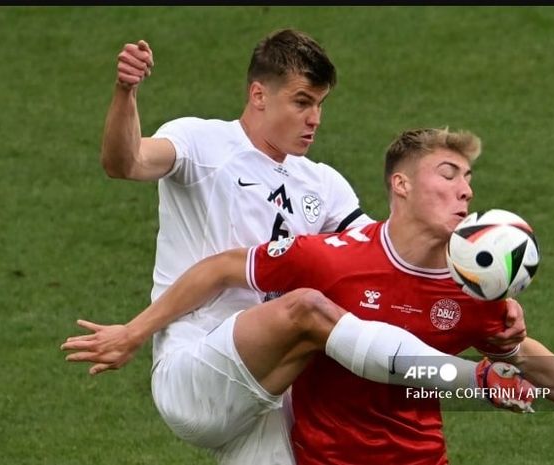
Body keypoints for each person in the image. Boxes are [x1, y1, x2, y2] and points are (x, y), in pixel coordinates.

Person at [63, 30, 527, 463]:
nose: (314, 119)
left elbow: (388, 265)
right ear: (259, 95)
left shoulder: (323, 184)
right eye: (302, 102)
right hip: (198, 371)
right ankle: (471, 383)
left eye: (320, 105)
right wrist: (126, 92)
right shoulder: (202, 143)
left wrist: (484, 298)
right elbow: (125, 162)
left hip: (272, 389)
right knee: (310, 308)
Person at [63, 128, 554, 464]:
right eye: (448, 174)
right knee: (307, 311)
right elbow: (220, 269)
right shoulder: (329, 258)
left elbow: (524, 358)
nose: (465, 190)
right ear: (401, 184)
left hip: (418, 460)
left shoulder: (474, 287)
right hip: (323, 460)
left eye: (469, 180)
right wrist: (137, 331)